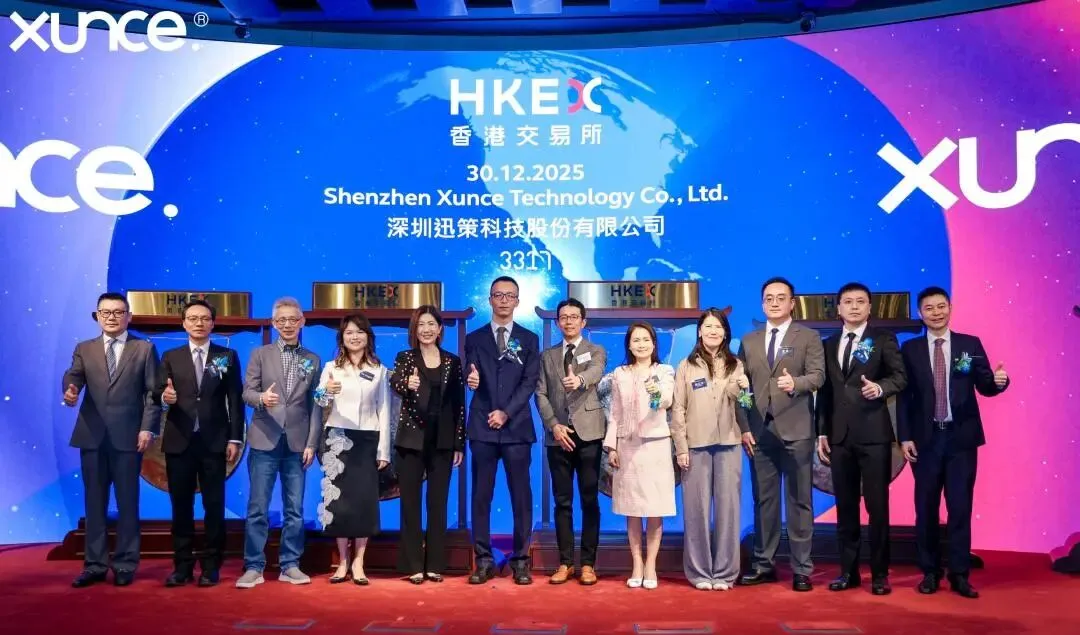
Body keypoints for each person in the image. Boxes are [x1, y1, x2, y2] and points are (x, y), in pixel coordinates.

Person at [896, 286, 1009, 599]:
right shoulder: (910, 349)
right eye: (929, 308)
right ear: (920, 313)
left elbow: (985, 385)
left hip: (961, 441)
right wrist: (904, 436)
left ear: (950, 308)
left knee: (960, 508)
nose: (936, 312)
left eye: (941, 306)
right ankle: (930, 573)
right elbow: (904, 397)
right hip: (926, 441)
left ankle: (959, 574)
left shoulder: (968, 345)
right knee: (926, 509)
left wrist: (999, 382)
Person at [62, 292, 161, 588]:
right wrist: (70, 389)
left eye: (118, 312)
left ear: (129, 316)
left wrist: (147, 428)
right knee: (94, 503)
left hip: (129, 437)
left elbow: (153, 393)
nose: (111, 317)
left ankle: (125, 564)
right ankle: (94, 565)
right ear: (97, 316)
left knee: (128, 503)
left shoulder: (144, 349)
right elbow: (74, 376)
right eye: (105, 312)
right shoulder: (84, 348)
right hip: (92, 436)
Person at [815, 283, 907, 596]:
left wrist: (880, 388)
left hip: (873, 436)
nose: (854, 307)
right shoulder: (828, 344)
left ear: (869, 307)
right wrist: (822, 431)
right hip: (839, 438)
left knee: (878, 508)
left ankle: (880, 575)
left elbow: (900, 377)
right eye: (848, 302)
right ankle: (848, 572)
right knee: (846, 508)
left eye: (860, 302)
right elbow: (825, 393)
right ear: (838, 308)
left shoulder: (883, 339)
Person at [737, 277, 825, 592]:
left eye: (780, 298)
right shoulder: (749, 341)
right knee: (764, 501)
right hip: (760, 432)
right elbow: (741, 388)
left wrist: (796, 383)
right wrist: (744, 427)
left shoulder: (809, 337)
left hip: (797, 430)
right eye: (769, 298)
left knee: (800, 501)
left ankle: (802, 569)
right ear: (762, 304)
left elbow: (818, 376)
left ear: (792, 303)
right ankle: (764, 564)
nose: (774, 303)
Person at [155, 299, 244, 588]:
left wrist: (234, 438)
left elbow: (235, 399)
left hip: (214, 442)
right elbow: (158, 392)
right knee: (180, 506)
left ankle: (211, 565)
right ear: (184, 323)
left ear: (213, 323)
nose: (198, 323)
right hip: (179, 441)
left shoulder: (226, 356)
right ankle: (182, 566)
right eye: (192, 318)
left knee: (214, 506)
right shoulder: (171, 356)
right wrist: (164, 397)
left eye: (204, 318)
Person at [237, 296, 322, 589]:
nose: (287, 324)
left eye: (292, 319)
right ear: (274, 323)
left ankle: (290, 564)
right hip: (265, 439)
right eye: (281, 320)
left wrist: (312, 443)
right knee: (257, 508)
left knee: (294, 509)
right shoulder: (260, 354)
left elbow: (315, 405)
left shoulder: (313, 359)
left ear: (302, 322)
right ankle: (253, 566)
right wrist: (261, 398)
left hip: (298, 443)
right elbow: (247, 392)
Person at [465, 276, 541, 585]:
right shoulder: (474, 338)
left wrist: (506, 413)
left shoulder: (529, 339)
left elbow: (529, 382)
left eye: (510, 296)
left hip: (516, 428)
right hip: (482, 427)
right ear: (490, 300)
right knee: (481, 496)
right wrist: (471, 379)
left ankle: (520, 560)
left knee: (521, 496)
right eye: (498, 295)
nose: (504, 300)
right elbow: (471, 371)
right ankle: (483, 560)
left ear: (518, 301)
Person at [671, 308, 748, 591]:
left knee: (729, 511)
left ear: (725, 332)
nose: (713, 331)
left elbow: (740, 402)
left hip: (729, 443)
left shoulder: (736, 364)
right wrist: (681, 447)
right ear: (699, 331)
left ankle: (726, 573)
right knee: (697, 511)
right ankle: (700, 572)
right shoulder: (686, 365)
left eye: (718, 327)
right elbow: (678, 409)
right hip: (695, 445)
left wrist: (742, 388)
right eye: (708, 326)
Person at [534, 298, 608, 586]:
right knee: (562, 502)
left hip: (589, 435)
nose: (569, 321)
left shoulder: (596, 350)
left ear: (583, 322)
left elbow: (596, 371)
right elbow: (540, 393)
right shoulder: (547, 356)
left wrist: (580, 380)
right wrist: (553, 426)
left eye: (574, 317)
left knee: (589, 500)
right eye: (563, 317)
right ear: (557, 322)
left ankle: (588, 564)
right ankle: (565, 563)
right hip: (559, 437)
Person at [313, 313, 391, 585]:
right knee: (340, 503)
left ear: (367, 337)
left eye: (359, 332)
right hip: (338, 440)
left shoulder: (379, 370)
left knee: (363, 503)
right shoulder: (331, 367)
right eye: (349, 332)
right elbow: (319, 400)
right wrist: (326, 391)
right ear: (342, 338)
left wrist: (383, 451)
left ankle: (359, 561)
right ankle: (342, 561)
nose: (354, 337)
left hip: (368, 440)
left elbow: (384, 410)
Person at [390, 306, 465, 584]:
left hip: (442, 441)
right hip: (411, 440)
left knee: (438, 503)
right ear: (415, 329)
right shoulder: (405, 358)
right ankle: (412, 564)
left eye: (431, 324)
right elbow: (395, 382)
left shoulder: (452, 361)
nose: (426, 329)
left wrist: (459, 443)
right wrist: (406, 384)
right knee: (410, 504)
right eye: (421, 324)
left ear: (440, 329)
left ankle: (434, 564)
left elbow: (459, 405)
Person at [602, 321, 676, 590]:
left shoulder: (664, 371)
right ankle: (636, 564)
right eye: (636, 340)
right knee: (632, 510)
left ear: (654, 344)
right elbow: (615, 413)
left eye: (646, 340)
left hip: (656, 446)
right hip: (628, 446)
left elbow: (667, 399)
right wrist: (612, 446)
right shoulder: (619, 373)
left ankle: (651, 565)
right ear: (629, 345)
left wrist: (657, 393)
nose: (641, 344)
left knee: (654, 509)